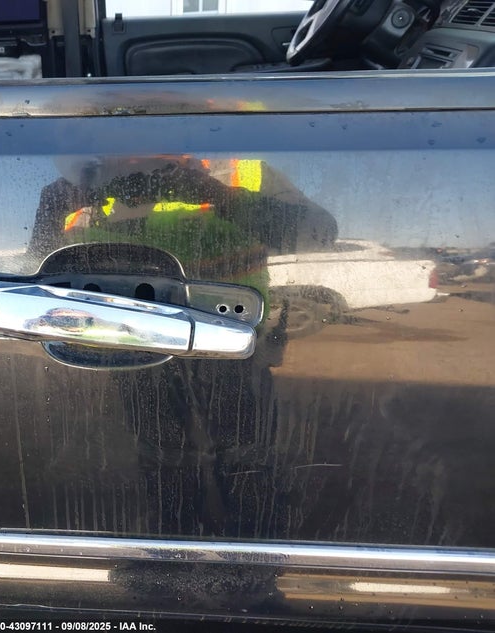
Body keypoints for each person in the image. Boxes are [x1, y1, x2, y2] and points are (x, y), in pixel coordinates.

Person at [29, 154, 338, 537]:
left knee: (246, 454)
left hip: (236, 340)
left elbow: (319, 233)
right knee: (159, 455)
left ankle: (253, 546)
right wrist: (61, 201)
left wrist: (221, 196)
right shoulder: (87, 178)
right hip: (133, 345)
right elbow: (37, 264)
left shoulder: (244, 170)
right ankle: (167, 545)